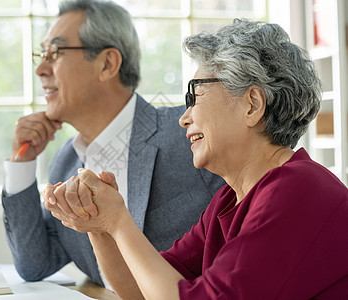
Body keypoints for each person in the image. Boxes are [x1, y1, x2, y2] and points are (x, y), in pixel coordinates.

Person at [44, 19, 348, 299]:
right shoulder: (228, 200)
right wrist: (100, 223)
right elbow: (141, 290)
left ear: (252, 105)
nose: (183, 118)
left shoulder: (298, 190)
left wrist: (118, 220)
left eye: (195, 97)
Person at [1, 0, 225, 287]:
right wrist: (21, 166)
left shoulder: (186, 133)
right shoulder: (67, 161)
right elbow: (34, 264)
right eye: (41, 54)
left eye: (54, 52)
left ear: (107, 64)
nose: (41, 69)